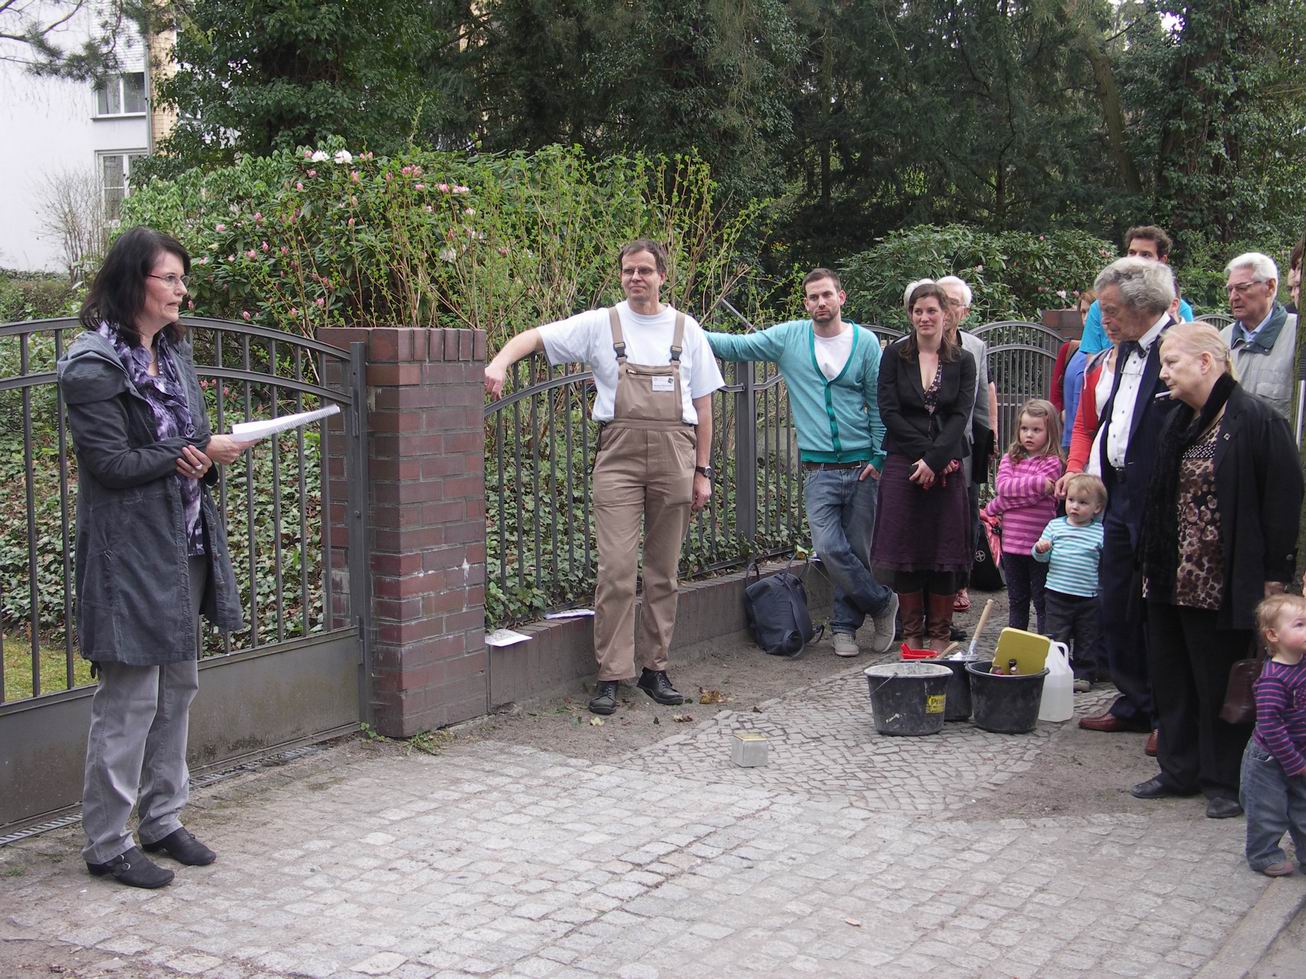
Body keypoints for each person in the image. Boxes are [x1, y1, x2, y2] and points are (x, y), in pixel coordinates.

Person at [58, 227, 250, 889]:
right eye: (169, 278)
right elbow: (108, 464)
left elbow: (188, 441)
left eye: (180, 279)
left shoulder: (173, 354)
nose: (180, 291)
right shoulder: (92, 364)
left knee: (179, 687)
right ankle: (106, 842)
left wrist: (205, 457)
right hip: (129, 554)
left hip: (184, 541)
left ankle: (162, 817)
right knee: (130, 698)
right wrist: (185, 456)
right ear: (133, 281)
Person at [484, 240, 723, 716]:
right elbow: (533, 337)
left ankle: (655, 668)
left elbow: (704, 405)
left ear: (661, 276)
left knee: (663, 572)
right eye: (629, 271)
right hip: (618, 455)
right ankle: (611, 674)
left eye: (646, 271)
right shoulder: (601, 324)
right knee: (615, 571)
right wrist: (499, 362)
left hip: (677, 452)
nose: (637, 278)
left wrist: (702, 471)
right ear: (621, 277)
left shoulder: (686, 329)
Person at [1133, 323, 1302, 818]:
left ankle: (1223, 779)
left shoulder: (1254, 420)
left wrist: (1275, 573)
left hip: (1218, 579)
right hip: (1168, 575)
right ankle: (1177, 768)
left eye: (1172, 362)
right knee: (1171, 675)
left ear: (1207, 363)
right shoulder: (1177, 418)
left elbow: (1282, 498)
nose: (1164, 372)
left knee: (1218, 678)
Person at [704, 268, 898, 657]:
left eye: (826, 295)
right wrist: (681, 328)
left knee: (856, 551)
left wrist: (880, 453)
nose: (819, 303)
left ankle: (844, 627)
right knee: (828, 547)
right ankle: (882, 603)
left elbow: (877, 401)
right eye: (812, 297)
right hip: (819, 469)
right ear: (805, 302)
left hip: (863, 465)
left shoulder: (865, 343)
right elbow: (736, 346)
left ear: (841, 297)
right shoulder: (790, 337)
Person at [1076, 257, 1184, 741]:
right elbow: (1114, 418)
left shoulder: (1178, 348)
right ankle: (1134, 698)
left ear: (1144, 306)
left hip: (1159, 495)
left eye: (1112, 310)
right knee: (1115, 599)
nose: (1105, 320)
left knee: (1156, 605)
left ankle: (1167, 712)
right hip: (1117, 491)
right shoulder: (1123, 350)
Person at [873, 281, 976, 653]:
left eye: (932, 310)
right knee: (906, 547)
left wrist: (936, 459)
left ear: (946, 315)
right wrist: (923, 457)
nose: (925, 317)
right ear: (910, 315)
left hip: (947, 462)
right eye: (918, 311)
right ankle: (912, 634)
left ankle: (941, 634)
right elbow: (889, 410)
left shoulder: (963, 359)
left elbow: (960, 414)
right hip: (904, 461)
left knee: (943, 550)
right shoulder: (895, 355)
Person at [982, 398, 1063, 634]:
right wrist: (1038, 484)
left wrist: (1000, 505)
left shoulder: (1053, 462)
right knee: (1017, 601)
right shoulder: (1010, 458)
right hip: (1012, 546)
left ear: (1050, 432)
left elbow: (1027, 498)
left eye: (1036, 430)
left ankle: (1047, 648)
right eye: (1025, 428)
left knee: (1042, 601)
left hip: (1039, 546)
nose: (1029, 435)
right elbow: (1004, 487)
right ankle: (1015, 648)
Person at [936, 275, 992, 615]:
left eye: (953, 302)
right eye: (941, 299)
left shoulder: (975, 346)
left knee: (965, 514)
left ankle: (960, 582)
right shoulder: (916, 343)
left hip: (967, 444)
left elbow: (982, 399)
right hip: (927, 446)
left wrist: (987, 439)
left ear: (964, 311)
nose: (946, 308)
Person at [1241, 594, 1306, 876]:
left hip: (1299, 750)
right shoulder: (1273, 679)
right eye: (1300, 625)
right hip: (1269, 758)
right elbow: (1271, 726)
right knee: (1268, 809)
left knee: (1303, 808)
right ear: (1273, 635)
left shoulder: (1302, 665)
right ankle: (1263, 854)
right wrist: (1294, 762)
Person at [1033, 473, 1107, 690]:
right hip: (1057, 593)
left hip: (1087, 596)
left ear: (1097, 508)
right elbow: (1041, 557)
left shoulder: (1099, 532)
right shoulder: (1055, 526)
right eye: (1071, 500)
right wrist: (1040, 549)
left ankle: (1084, 674)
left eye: (1083, 503)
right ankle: (1056, 670)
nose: (1075, 506)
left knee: (1087, 637)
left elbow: (1104, 562)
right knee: (1056, 635)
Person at [1079, 226, 1194, 356]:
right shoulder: (1099, 307)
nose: (1135, 259)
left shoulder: (1177, 307)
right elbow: (1091, 361)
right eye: (1132, 253)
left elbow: (1186, 352)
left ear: (1162, 261)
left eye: (1145, 255)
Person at [1219, 252, 1298, 422]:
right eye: (1230, 289)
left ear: (1270, 287)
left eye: (1242, 287)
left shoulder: (1297, 336)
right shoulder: (1222, 339)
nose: (1233, 297)